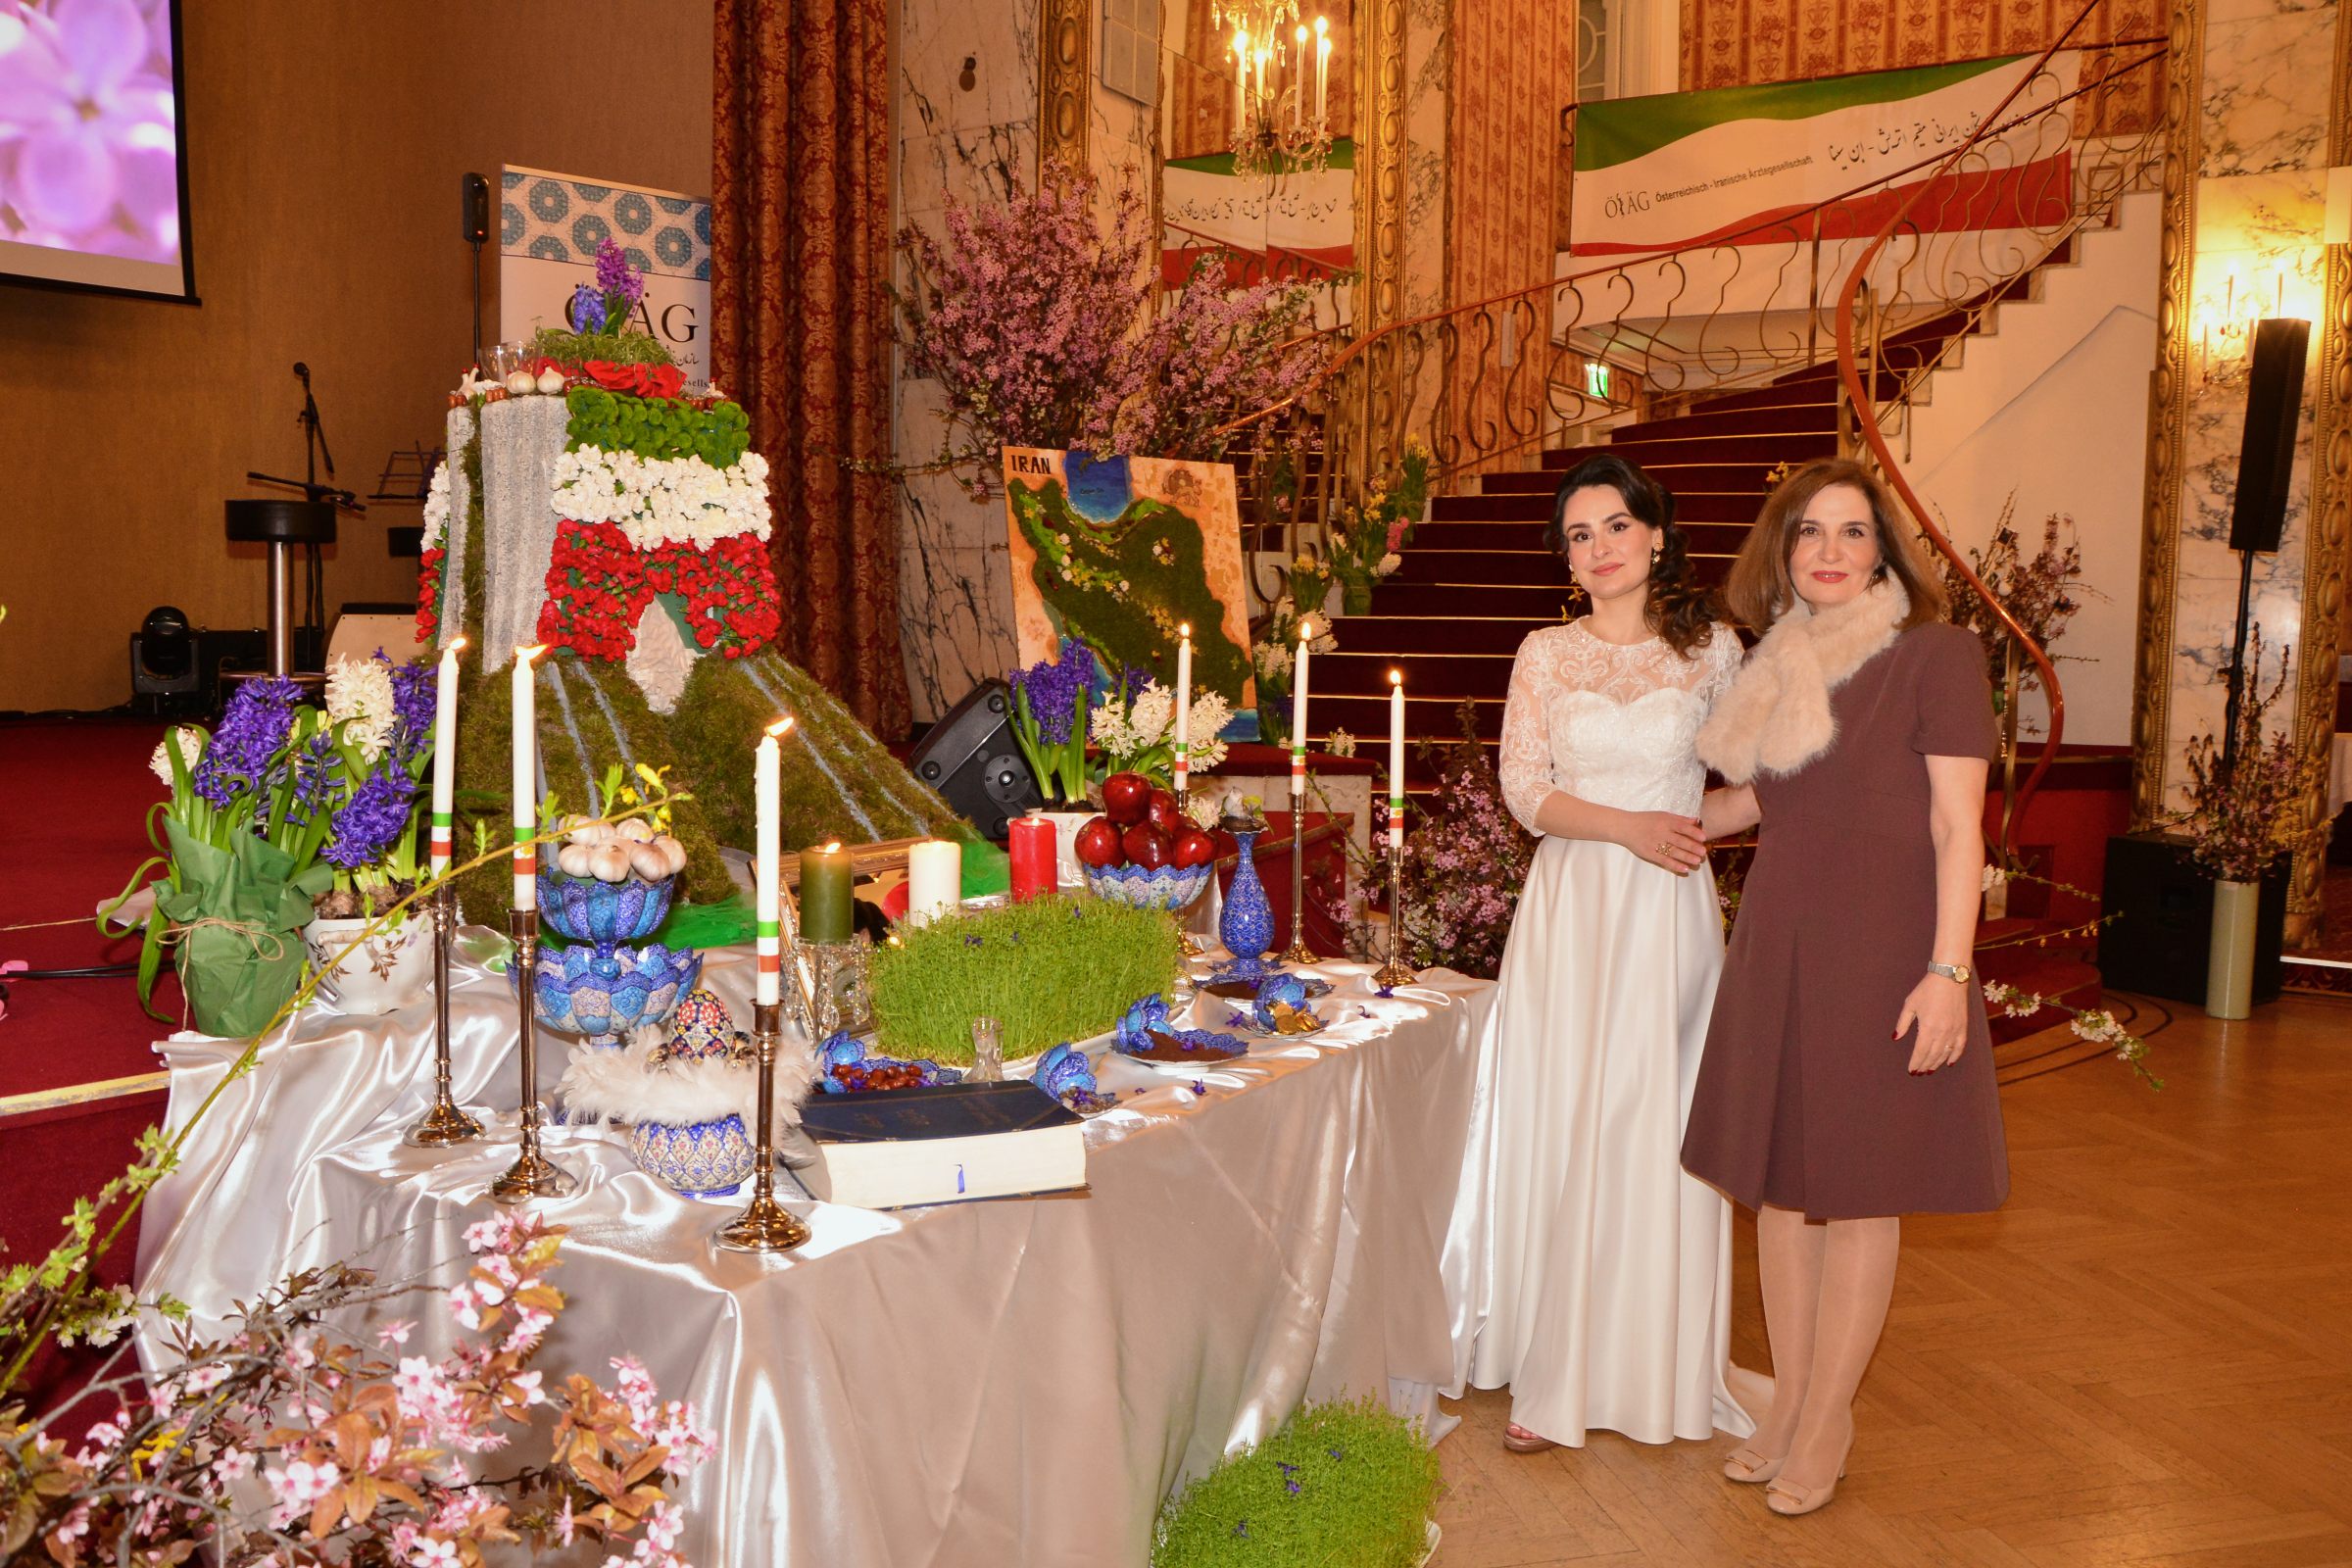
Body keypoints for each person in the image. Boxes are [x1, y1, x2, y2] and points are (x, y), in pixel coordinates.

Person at [1682, 456, 2006, 1517]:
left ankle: (1828, 1416)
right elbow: (1760, 803)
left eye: (1852, 531)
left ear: (1884, 553)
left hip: (1884, 947)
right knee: (1781, 1188)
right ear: (1782, 553)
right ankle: (1787, 1404)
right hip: (1780, 940)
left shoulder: (1935, 655)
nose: (1828, 550)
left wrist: (1948, 971)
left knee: (1861, 1190)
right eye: (1808, 531)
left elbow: (1959, 826)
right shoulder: (1776, 662)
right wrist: (1626, 820)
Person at [1458, 450, 1755, 1454]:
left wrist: (1687, 827)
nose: (1600, 548)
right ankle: (1549, 1355)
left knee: (1650, 1117)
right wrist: (1629, 827)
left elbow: (1760, 780)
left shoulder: (1715, 650)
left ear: (1657, 535)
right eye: (1580, 535)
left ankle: (1642, 1363)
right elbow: (1524, 790)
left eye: (1616, 526)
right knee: (1565, 1112)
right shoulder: (1544, 652)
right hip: (1572, 908)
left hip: (1666, 913)